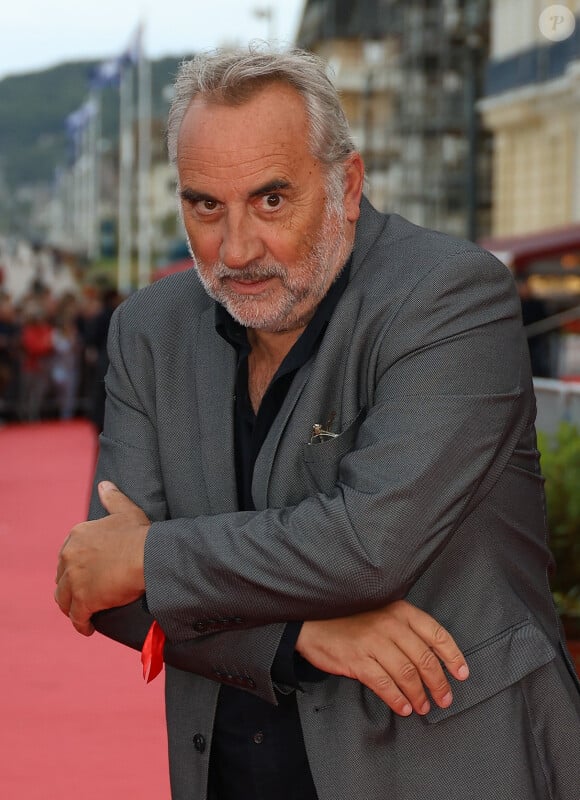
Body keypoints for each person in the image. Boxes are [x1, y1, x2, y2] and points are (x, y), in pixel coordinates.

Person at [55, 47, 580, 800]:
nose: (236, 250)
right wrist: (299, 639)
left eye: (272, 200)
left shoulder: (453, 297)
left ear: (349, 185)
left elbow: (366, 546)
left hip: (447, 767)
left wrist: (148, 556)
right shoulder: (149, 330)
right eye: (206, 205)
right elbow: (103, 588)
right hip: (231, 775)